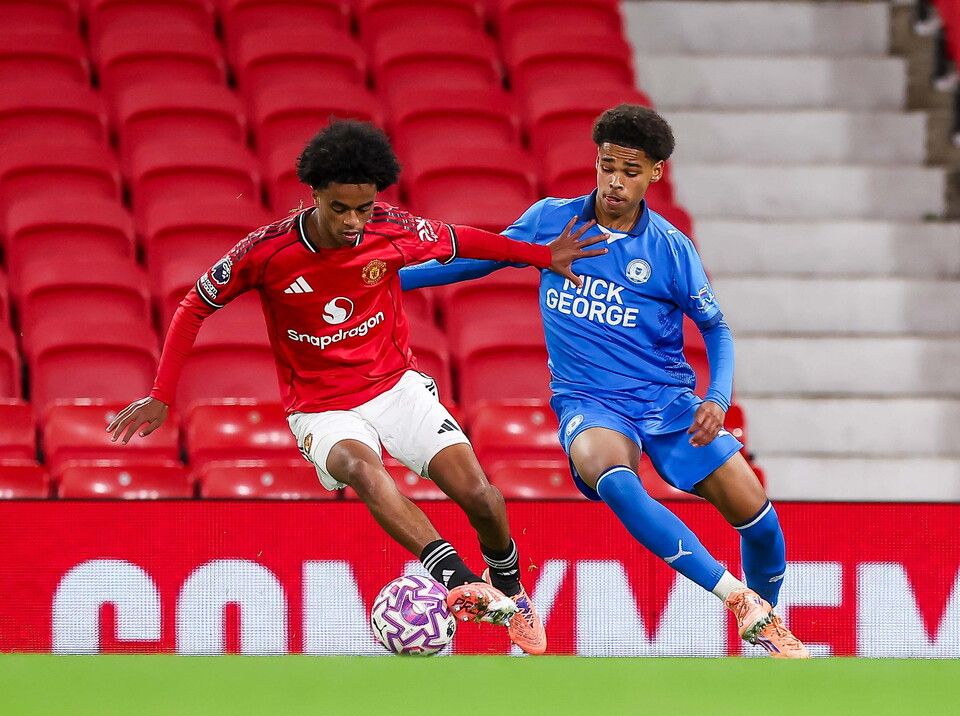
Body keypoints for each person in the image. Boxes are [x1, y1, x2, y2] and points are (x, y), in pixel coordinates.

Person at [106, 119, 608, 655]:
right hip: (322, 407)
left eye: (363, 208)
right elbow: (193, 306)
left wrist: (542, 256)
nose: (352, 222)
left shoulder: (393, 229)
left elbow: (466, 240)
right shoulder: (266, 251)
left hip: (396, 387)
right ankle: (458, 579)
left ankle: (508, 587)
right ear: (315, 194)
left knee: (481, 496)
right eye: (339, 208)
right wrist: (161, 393)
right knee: (359, 468)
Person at [400, 104, 810, 658]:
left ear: (655, 174)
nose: (615, 181)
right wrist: (385, 277)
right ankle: (738, 600)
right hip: (590, 402)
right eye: (607, 166)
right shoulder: (553, 221)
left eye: (631, 170)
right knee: (615, 477)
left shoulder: (669, 249)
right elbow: (477, 262)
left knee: (761, 524)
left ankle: (766, 631)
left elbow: (716, 329)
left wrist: (716, 396)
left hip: (666, 402)